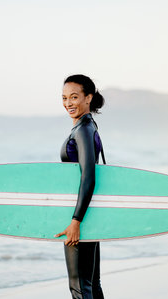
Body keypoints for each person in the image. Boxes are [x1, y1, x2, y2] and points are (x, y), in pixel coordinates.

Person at [55, 74, 106, 299]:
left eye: (74, 97)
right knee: (91, 285)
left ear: (88, 98)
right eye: (64, 98)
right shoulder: (87, 126)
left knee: (79, 287)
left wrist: (75, 221)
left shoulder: (84, 129)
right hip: (89, 214)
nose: (68, 103)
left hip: (80, 218)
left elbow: (88, 177)